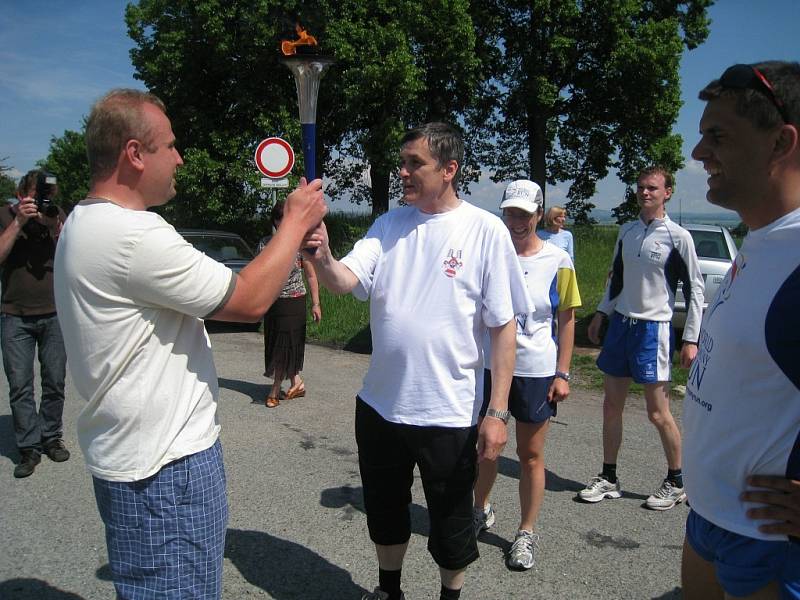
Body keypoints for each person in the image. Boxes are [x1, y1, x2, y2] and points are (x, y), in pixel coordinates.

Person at [53, 88, 326, 599]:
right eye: (170, 146)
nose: (179, 157)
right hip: (165, 468)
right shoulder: (133, 234)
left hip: (133, 457)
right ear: (135, 154)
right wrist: (293, 223)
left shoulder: (82, 222)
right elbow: (246, 301)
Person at [304, 122, 531, 600]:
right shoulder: (389, 225)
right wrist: (323, 255)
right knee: (386, 512)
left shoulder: (484, 230)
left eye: (415, 164)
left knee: (450, 521)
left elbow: (503, 327)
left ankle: (450, 594)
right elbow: (346, 280)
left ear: (449, 170)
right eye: (402, 162)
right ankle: (390, 591)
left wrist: (497, 411)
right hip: (381, 405)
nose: (402, 172)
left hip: (447, 411)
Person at [681, 60, 800, 600]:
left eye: (718, 136)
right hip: (709, 516)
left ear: (781, 143)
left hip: (768, 541)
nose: (698, 153)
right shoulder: (761, 236)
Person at [580, 165, 704, 511]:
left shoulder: (678, 237)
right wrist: (602, 313)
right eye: (641, 187)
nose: (645, 192)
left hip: (655, 329)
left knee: (657, 412)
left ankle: (677, 480)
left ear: (667, 193)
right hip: (622, 324)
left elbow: (696, 290)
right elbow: (616, 278)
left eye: (652, 188)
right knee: (610, 406)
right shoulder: (627, 231)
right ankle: (609, 477)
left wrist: (691, 338)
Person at [473, 179, 581, 570]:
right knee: (486, 448)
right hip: (489, 367)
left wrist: (563, 373)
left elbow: (567, 320)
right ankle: (480, 510)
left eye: (524, 214)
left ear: (539, 214)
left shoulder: (558, 260)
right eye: (510, 213)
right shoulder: (490, 253)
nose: (516, 221)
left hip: (536, 370)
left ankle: (526, 531)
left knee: (530, 455)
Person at [0, 169, 69, 478]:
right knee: (20, 385)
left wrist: (54, 226)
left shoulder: (55, 216)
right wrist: (19, 222)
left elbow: (74, 256)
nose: (42, 203)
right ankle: (29, 447)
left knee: (54, 380)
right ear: (20, 195)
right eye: (36, 197)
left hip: (54, 313)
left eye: (47, 197)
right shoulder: (5, 215)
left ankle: (51, 437)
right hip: (15, 315)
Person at [258, 199, 321, 407]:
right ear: (275, 222)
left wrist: (316, 303)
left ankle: (275, 388)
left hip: (294, 300)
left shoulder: (301, 244)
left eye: (285, 219)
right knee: (278, 342)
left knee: (285, 344)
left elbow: (311, 275)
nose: (281, 224)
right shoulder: (265, 243)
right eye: (279, 220)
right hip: (273, 301)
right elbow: (259, 273)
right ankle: (297, 383)